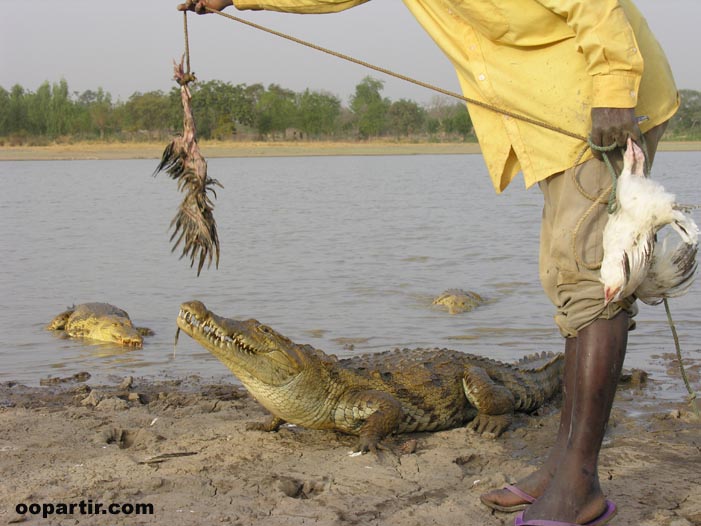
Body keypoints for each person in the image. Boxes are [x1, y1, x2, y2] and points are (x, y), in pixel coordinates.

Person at [178, 1, 679, 524]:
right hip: (558, 116)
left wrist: (614, 90)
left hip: (598, 103)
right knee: (567, 281)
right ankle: (562, 467)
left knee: (589, 284)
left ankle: (579, 484)